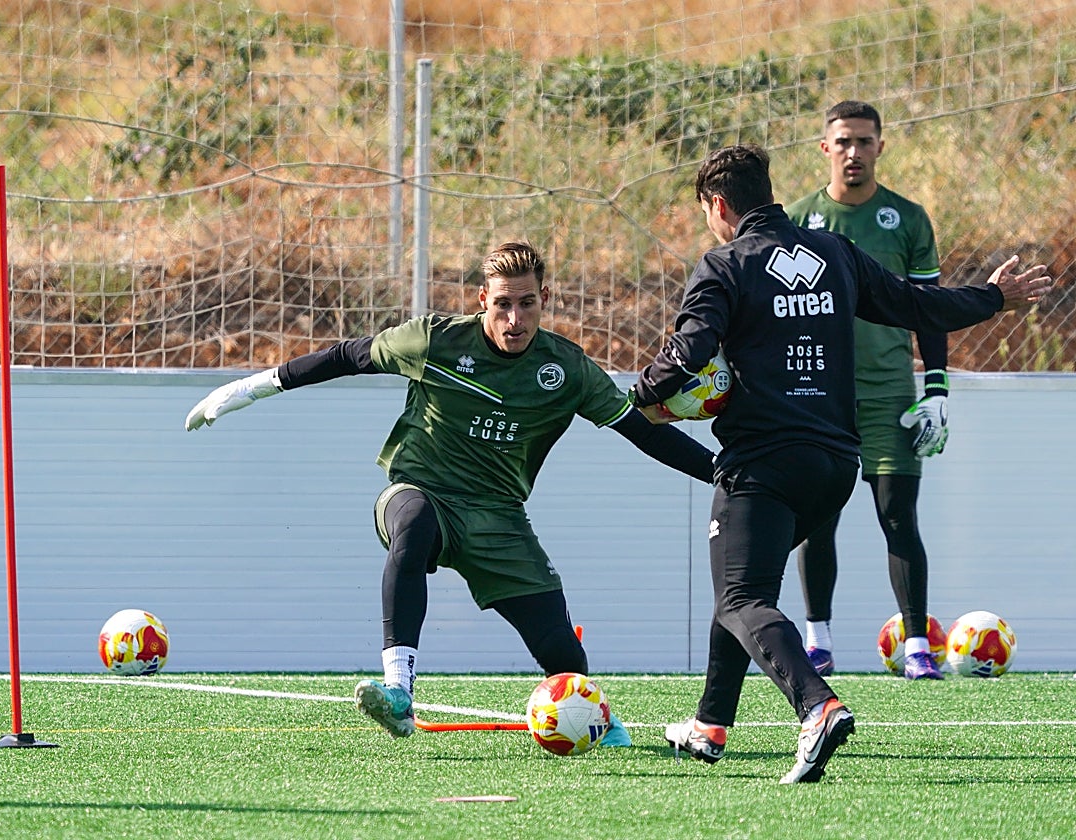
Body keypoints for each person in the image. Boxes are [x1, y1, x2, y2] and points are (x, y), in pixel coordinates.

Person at [184, 240, 717, 745]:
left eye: (527, 304)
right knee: (411, 525)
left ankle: (598, 717)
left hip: (498, 518)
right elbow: (348, 354)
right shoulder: (436, 340)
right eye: (503, 304)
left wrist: (722, 470)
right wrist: (251, 388)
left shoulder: (569, 369)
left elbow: (642, 431)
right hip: (423, 491)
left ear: (545, 300)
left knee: (561, 650)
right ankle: (398, 691)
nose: (515, 320)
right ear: (482, 299)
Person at [629, 144, 1050, 783]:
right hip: (834, 464)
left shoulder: (724, 264)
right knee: (741, 591)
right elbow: (918, 306)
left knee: (741, 595)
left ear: (719, 206)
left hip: (763, 461)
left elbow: (690, 350)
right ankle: (710, 726)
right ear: (768, 193)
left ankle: (817, 707)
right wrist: (992, 298)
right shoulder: (834, 255)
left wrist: (643, 393)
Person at [786, 100, 950, 680]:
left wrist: (936, 388)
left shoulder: (906, 219)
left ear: (881, 146)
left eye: (864, 141)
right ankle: (817, 640)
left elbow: (928, 310)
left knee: (898, 517)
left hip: (889, 397)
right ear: (824, 149)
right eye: (844, 142)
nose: (854, 152)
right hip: (820, 397)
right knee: (817, 520)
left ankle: (916, 648)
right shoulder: (799, 220)